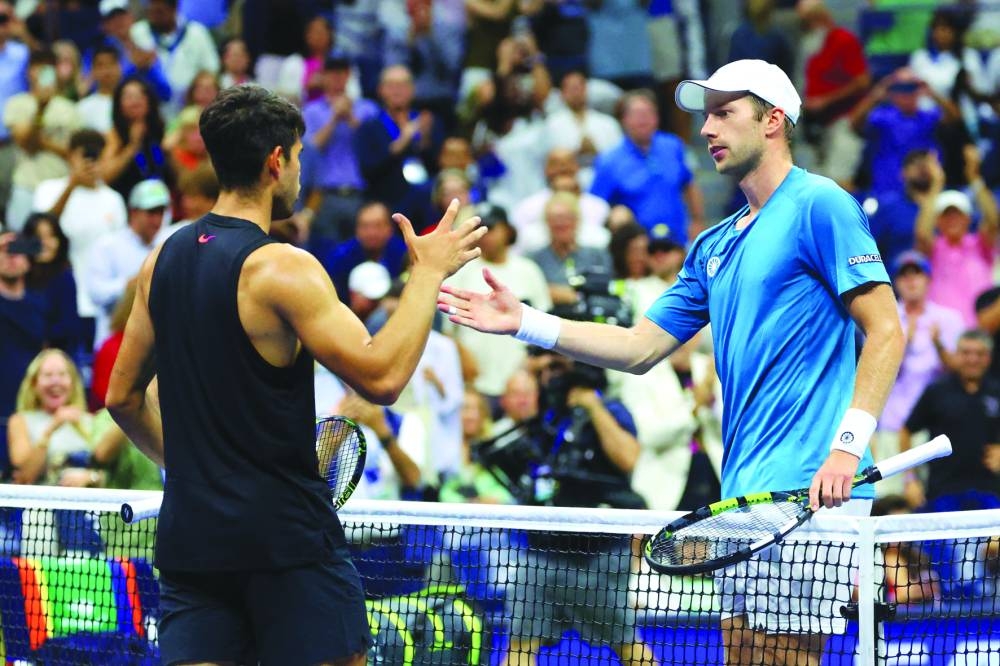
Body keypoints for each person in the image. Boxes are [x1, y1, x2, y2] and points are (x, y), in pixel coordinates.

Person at [439, 59, 905, 666]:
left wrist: (847, 446)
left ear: (773, 120)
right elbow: (638, 348)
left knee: (781, 657)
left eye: (724, 112)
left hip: (810, 488)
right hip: (742, 496)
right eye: (705, 114)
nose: (706, 128)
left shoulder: (822, 205)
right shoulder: (715, 244)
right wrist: (526, 320)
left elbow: (887, 330)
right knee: (743, 654)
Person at [105, 84, 485, 666]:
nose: (301, 174)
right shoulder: (280, 267)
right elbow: (381, 378)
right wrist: (428, 274)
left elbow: (122, 397)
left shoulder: (162, 260)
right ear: (276, 161)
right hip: (285, 540)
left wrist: (187, 468)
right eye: (301, 158)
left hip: (192, 540)